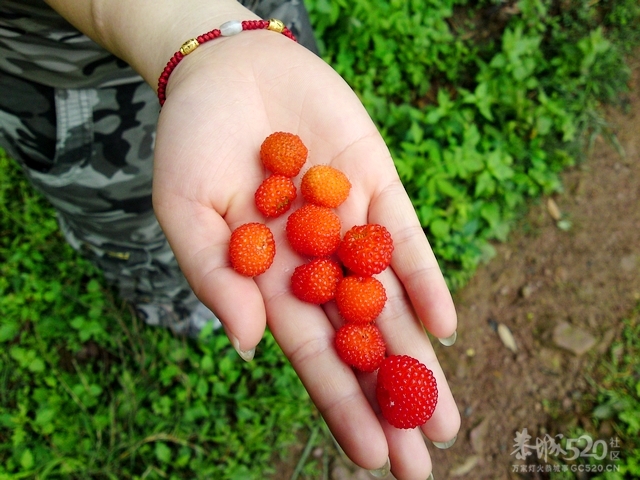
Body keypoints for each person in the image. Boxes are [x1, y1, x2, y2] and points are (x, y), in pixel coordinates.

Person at [0, 0, 460, 477]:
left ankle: (191, 301)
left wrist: (225, 36)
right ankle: (164, 293)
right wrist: (185, 30)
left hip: (255, 25)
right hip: (72, 77)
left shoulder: (318, 229)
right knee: (138, 230)